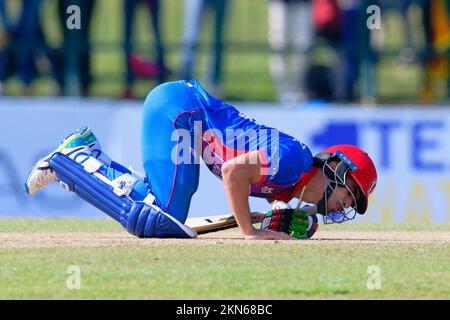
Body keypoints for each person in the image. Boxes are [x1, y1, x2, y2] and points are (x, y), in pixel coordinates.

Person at [24, 79, 377, 240]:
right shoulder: (294, 161)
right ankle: (72, 159)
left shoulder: (292, 185)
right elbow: (233, 171)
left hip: (187, 118)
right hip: (179, 109)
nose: (342, 206)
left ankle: (86, 152)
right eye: (349, 194)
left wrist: (262, 219)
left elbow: (237, 173)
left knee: (161, 208)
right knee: (162, 217)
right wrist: (249, 232)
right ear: (334, 169)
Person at [267, 0, 314, 102]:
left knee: (303, 45)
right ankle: (282, 91)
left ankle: (299, 89)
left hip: (303, 4)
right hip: (280, 3)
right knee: (278, 45)